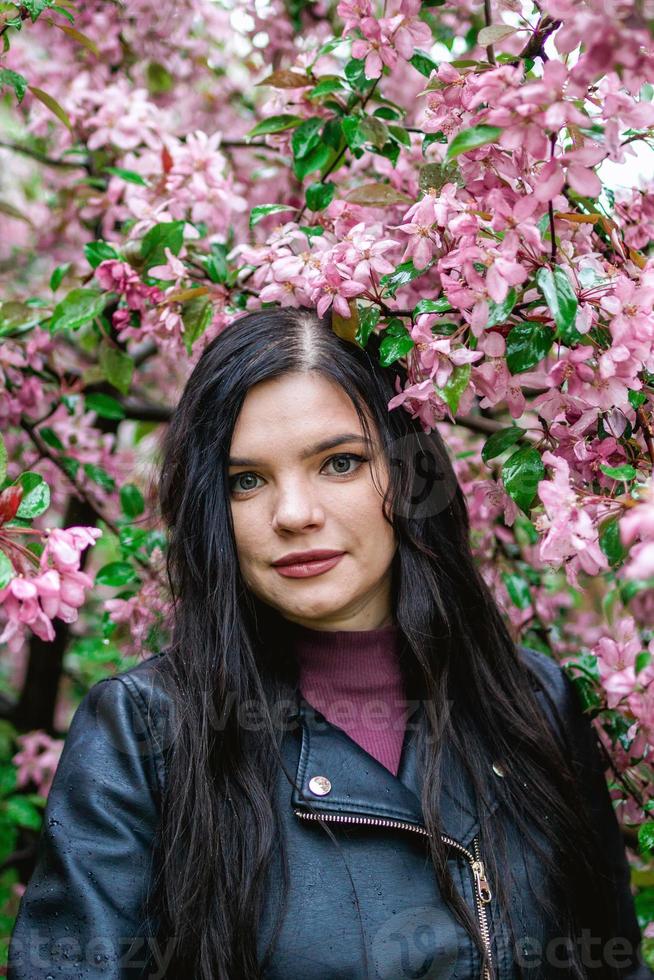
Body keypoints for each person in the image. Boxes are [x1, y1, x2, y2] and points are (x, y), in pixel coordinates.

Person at [7, 306, 652, 980]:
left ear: (408, 475)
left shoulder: (533, 703)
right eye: (246, 481)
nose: (293, 514)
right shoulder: (146, 733)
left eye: (339, 463)